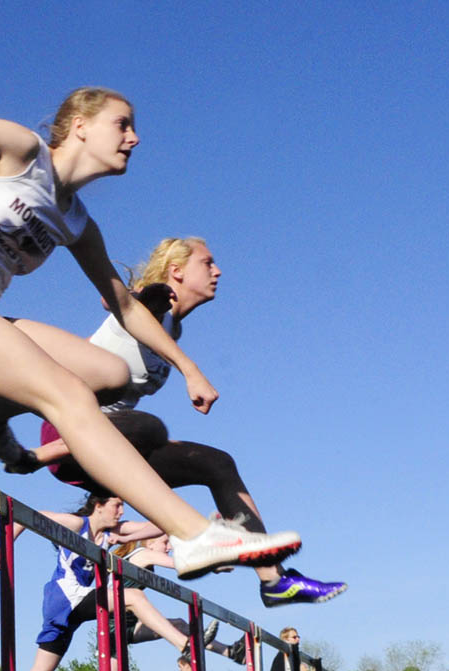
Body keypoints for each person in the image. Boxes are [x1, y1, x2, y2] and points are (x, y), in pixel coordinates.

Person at [0, 28, 300, 581]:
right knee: (70, 395)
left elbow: (125, 305)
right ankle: (193, 535)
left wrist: (190, 368)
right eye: (123, 124)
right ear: (79, 125)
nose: (135, 138)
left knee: (111, 373)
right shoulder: (21, 151)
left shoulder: (77, 222)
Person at [30, 236, 345, 607]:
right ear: (177, 271)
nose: (218, 271)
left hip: (117, 445)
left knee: (217, 463)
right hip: (72, 435)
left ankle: (272, 580)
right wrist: (186, 363)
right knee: (150, 427)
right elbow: (116, 300)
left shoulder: (172, 330)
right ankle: (37, 455)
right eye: (208, 263)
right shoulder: (153, 303)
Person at [0, 495, 209, 671]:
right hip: (63, 599)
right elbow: (28, 515)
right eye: (117, 505)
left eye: (123, 505)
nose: (121, 511)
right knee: (133, 597)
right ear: (99, 506)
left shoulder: (111, 533)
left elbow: (151, 526)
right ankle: (182, 643)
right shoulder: (76, 524)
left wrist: (172, 514)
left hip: (79, 603)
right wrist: (4, 546)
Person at [49, 533, 242, 671]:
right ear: (150, 542)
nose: (168, 547)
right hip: (111, 629)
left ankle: (231, 652)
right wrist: (213, 561)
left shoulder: (144, 559)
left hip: (131, 626)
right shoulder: (142, 554)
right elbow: (180, 564)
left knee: (180, 624)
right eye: (165, 543)